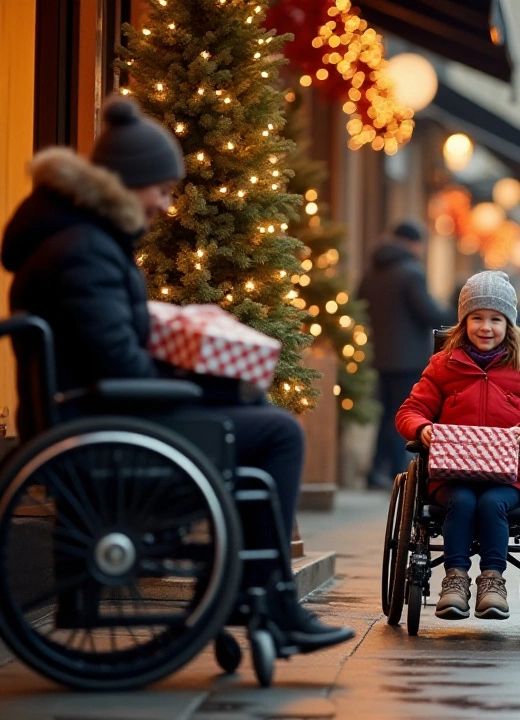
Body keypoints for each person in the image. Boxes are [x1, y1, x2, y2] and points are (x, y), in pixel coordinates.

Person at [0, 96, 353, 651]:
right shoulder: (85, 249)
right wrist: (200, 382)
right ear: (125, 183)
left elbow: (111, 347)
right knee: (279, 431)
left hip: (93, 410)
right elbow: (116, 362)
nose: (167, 205)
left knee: (259, 414)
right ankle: (271, 597)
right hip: (104, 422)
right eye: (161, 190)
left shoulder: (75, 239)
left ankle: (263, 595)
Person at [395, 271, 520, 620]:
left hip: (509, 478)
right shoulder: (443, 365)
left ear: (509, 324)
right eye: (477, 318)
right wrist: (422, 427)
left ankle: (492, 581)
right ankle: (454, 579)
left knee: (491, 504)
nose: (486, 327)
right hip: (451, 474)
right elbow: (409, 411)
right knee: (463, 500)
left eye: (495, 319)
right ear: (464, 322)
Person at [358, 220, 441, 489]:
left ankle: (375, 471)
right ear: (413, 243)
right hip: (408, 357)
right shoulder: (411, 272)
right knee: (403, 412)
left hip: (379, 353)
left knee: (385, 413)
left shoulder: (371, 271)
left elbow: (358, 303)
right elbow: (427, 312)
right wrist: (456, 314)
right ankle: (396, 471)